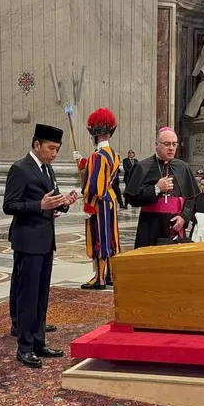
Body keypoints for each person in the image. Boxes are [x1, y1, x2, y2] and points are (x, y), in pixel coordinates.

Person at [3, 124, 79, 368]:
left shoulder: (47, 168)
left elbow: (51, 201)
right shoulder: (20, 169)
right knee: (27, 295)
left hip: (45, 240)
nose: (54, 153)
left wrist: (64, 202)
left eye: (57, 149)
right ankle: (24, 346)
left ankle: (38, 341)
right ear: (37, 145)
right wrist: (39, 206)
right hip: (27, 241)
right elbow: (10, 205)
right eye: (50, 148)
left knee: (41, 294)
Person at [124, 127, 201, 248]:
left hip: (176, 226)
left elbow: (191, 198)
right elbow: (132, 199)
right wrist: (156, 189)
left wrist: (183, 217)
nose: (171, 148)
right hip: (150, 226)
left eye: (174, 144)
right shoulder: (142, 167)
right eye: (167, 144)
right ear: (156, 144)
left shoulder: (183, 167)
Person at [73, 108, 122, 291]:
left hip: (99, 202)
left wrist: (89, 206)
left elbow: (95, 186)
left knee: (99, 237)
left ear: (95, 134)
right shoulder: (114, 155)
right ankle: (109, 274)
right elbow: (104, 171)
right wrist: (84, 163)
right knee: (110, 237)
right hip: (111, 199)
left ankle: (99, 278)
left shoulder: (97, 156)